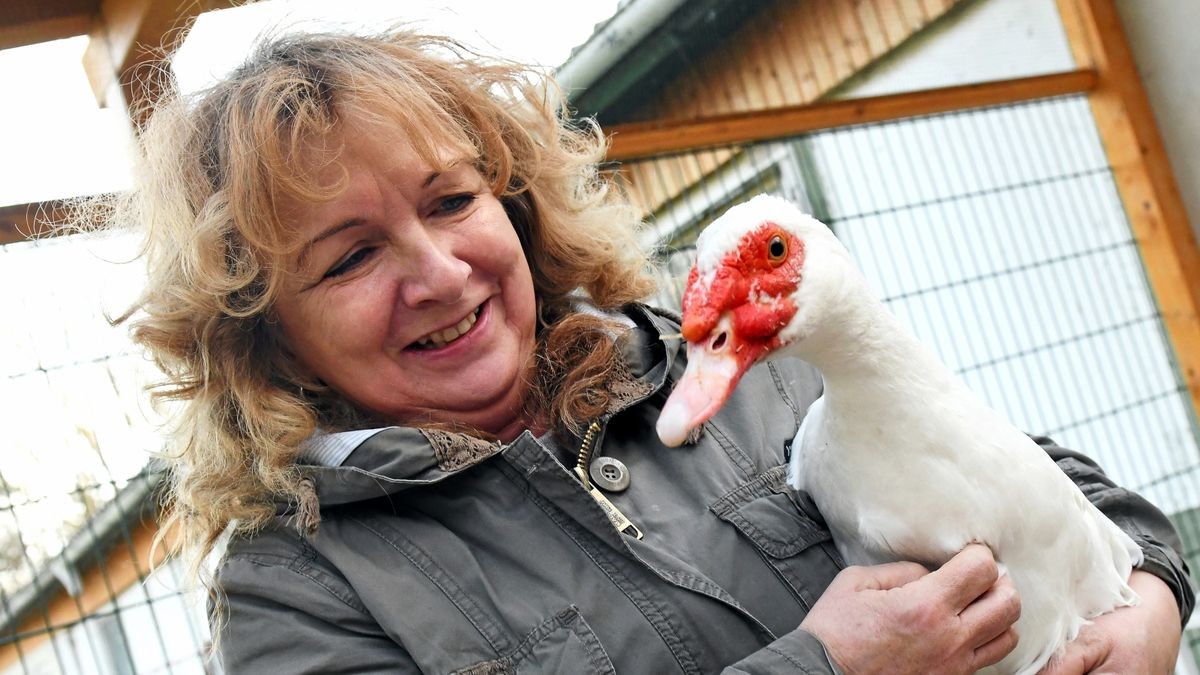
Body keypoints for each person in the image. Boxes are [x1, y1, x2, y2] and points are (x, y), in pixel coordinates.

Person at [109, 28, 1192, 673]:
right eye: (348, 259)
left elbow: (1049, 487)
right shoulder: (299, 592)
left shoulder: (717, 363)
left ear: (516, 203)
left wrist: (1148, 597)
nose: (438, 272)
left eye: (451, 199)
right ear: (262, 330)